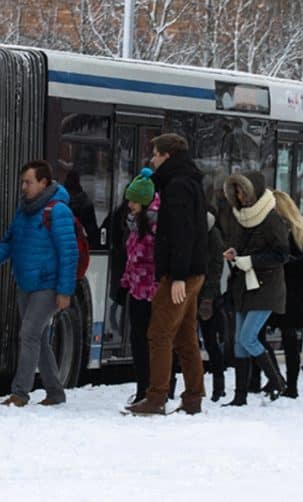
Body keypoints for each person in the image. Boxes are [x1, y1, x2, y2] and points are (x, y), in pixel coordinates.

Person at [0, 160, 78, 407]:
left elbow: (69, 253)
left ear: (43, 182)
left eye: (28, 182)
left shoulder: (57, 211)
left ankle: (20, 393)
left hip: (47, 285)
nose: (23, 187)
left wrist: (65, 291)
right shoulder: (24, 210)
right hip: (26, 284)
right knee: (38, 337)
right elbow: (8, 243)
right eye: (22, 182)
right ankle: (55, 392)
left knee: (28, 334)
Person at [125, 134, 207, 416]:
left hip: (179, 273)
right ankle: (194, 397)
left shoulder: (177, 187)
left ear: (168, 156)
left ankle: (156, 397)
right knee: (185, 336)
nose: (152, 160)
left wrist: (178, 276)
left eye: (156, 154)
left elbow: (181, 233)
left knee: (159, 333)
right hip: (193, 271)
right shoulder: (191, 181)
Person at [221, 171, 289, 405]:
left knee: (248, 337)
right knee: (240, 343)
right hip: (244, 287)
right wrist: (235, 254)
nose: (240, 197)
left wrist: (251, 261)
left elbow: (282, 254)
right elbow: (243, 248)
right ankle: (240, 397)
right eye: (236, 192)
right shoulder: (241, 218)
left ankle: (277, 381)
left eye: (243, 191)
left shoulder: (271, 219)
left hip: (266, 287)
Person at [270, 189, 303, 399]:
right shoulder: (301, 231)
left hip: (279, 290)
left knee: (256, 335)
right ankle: (291, 384)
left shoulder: (279, 231)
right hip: (295, 294)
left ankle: (274, 378)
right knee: (290, 341)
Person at [119, 168, 160, 405]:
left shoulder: (156, 226)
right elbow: (131, 256)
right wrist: (126, 280)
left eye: (133, 200)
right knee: (137, 340)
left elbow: (154, 257)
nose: (129, 204)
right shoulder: (135, 224)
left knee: (150, 341)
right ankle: (142, 388)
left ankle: (153, 388)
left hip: (152, 292)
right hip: (136, 290)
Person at [200, 204, 228, 402]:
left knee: (210, 341)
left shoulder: (212, 234)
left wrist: (208, 298)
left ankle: (219, 386)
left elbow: (215, 269)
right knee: (183, 342)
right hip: (191, 293)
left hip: (207, 296)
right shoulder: (193, 230)